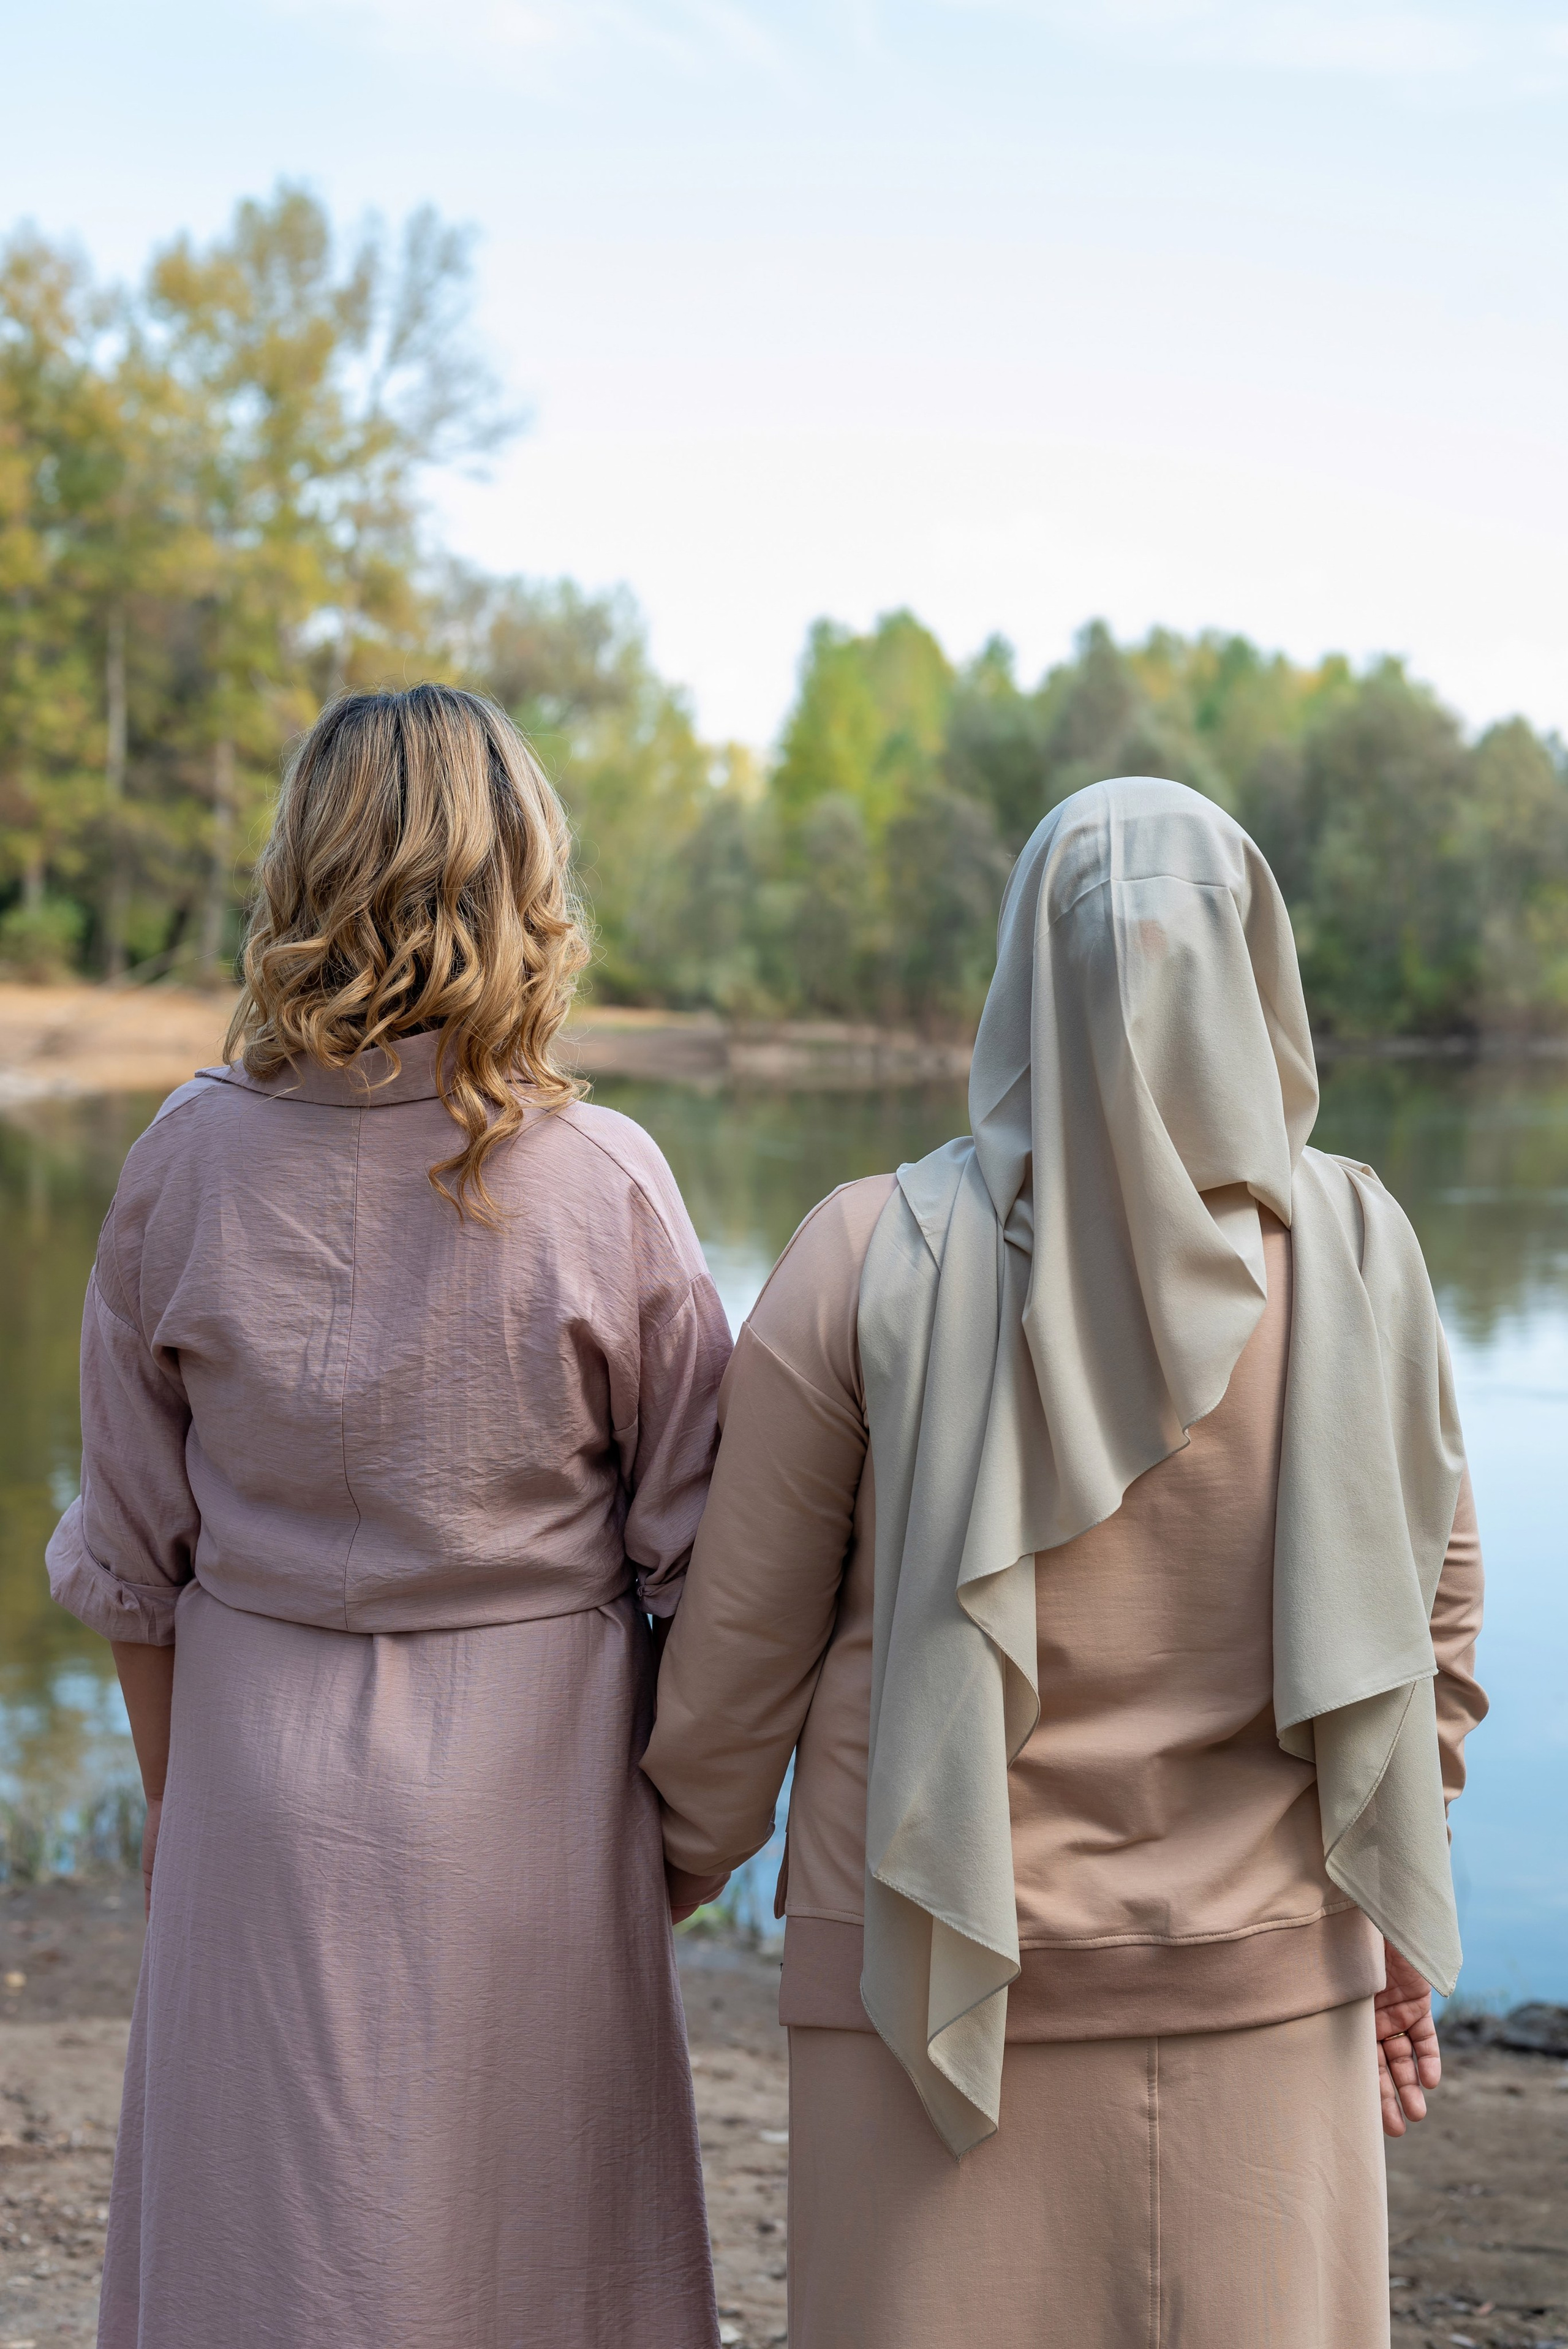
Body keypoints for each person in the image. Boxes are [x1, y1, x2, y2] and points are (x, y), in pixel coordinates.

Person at [643, 776, 1487, 2349]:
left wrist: (656, 1875)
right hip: (1266, 1995)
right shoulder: (1363, 1250)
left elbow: (736, 1669)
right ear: (1254, 966)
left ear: (1026, 966)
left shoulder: (857, 1259)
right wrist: (1378, 1903)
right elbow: (1435, 1628)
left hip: (920, 2003)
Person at [47, 685, 732, 2349]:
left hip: (254, 1791)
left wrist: (186, 1816)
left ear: (303, 868)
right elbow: (716, 1567)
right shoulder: (609, 1182)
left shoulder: (182, 1164)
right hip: (536, 1799)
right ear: (525, 884)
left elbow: (133, 1571)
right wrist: (681, 1848)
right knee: (533, 2253)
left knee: (261, 2255)